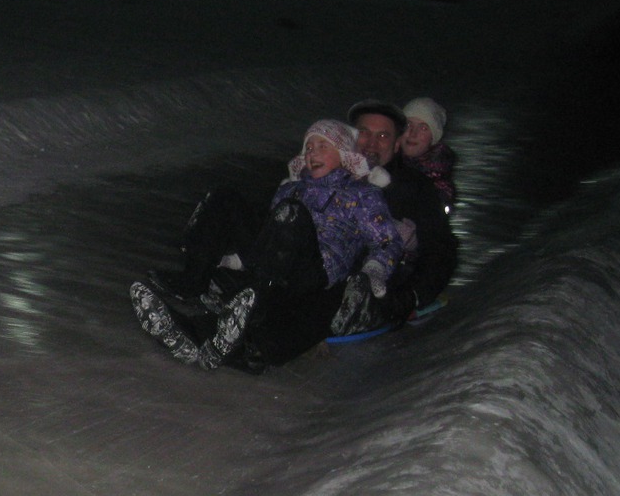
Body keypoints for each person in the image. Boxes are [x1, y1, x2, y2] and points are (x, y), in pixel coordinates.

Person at [131, 120, 402, 370]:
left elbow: (386, 241)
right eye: (308, 147)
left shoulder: (361, 195)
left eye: (322, 146)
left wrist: (376, 269)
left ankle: (250, 306)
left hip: (313, 272)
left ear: (344, 154)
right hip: (274, 268)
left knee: (290, 214)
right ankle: (193, 280)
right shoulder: (290, 189)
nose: (312, 153)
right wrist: (237, 260)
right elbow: (269, 238)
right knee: (225, 198)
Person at [330, 99, 458, 335]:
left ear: (396, 144)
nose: (370, 144)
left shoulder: (415, 188)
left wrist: (411, 296)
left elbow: (439, 250)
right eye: (364, 133)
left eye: (382, 136)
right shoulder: (327, 175)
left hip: (382, 281)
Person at [398, 96, 456, 210]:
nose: (413, 134)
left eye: (423, 128)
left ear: (432, 138)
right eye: (408, 125)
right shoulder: (383, 163)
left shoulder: (438, 184)